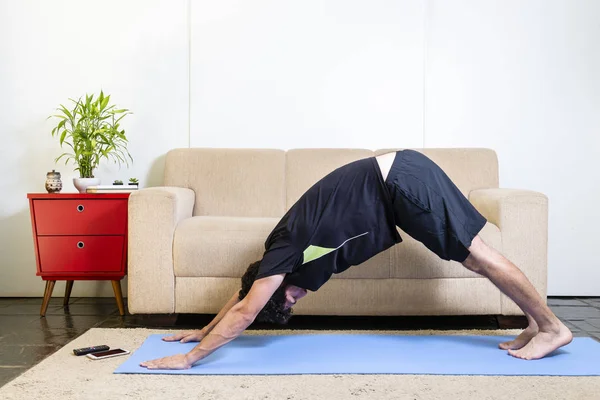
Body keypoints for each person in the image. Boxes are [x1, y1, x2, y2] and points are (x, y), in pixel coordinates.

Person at [140, 150, 572, 370]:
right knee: (476, 257)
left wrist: (189, 359)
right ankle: (536, 322)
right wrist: (201, 330)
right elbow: (244, 296)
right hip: (400, 182)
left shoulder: (285, 250)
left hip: (399, 182)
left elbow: (248, 309)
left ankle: (552, 327)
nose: (295, 300)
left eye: (288, 299)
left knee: (477, 257)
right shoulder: (283, 258)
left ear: (278, 278)